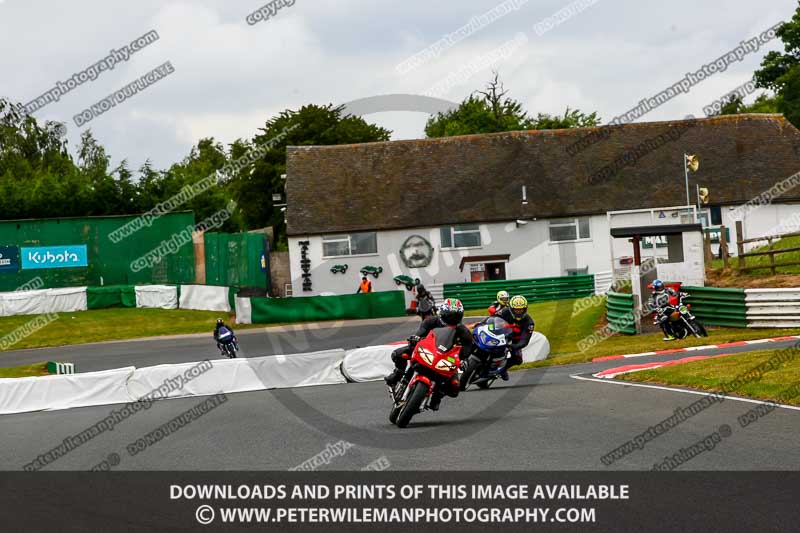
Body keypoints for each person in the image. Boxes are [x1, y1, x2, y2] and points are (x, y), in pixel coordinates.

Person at [384, 298, 472, 411]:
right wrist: (416, 338)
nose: (452, 319)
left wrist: (464, 359)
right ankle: (397, 375)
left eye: (456, 316)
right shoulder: (431, 321)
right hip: (426, 349)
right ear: (443, 313)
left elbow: (468, 346)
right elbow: (420, 332)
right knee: (398, 354)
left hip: (445, 358)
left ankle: (437, 396)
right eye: (449, 315)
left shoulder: (463, 331)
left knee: (455, 387)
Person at [494, 295, 535, 381]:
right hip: (501, 333)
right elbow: (492, 320)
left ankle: (502, 369)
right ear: (512, 309)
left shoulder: (529, 323)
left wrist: (514, 346)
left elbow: (525, 340)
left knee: (518, 359)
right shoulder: (504, 312)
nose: (519, 312)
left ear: (525, 309)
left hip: (516, 339)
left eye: (521, 309)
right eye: (516, 309)